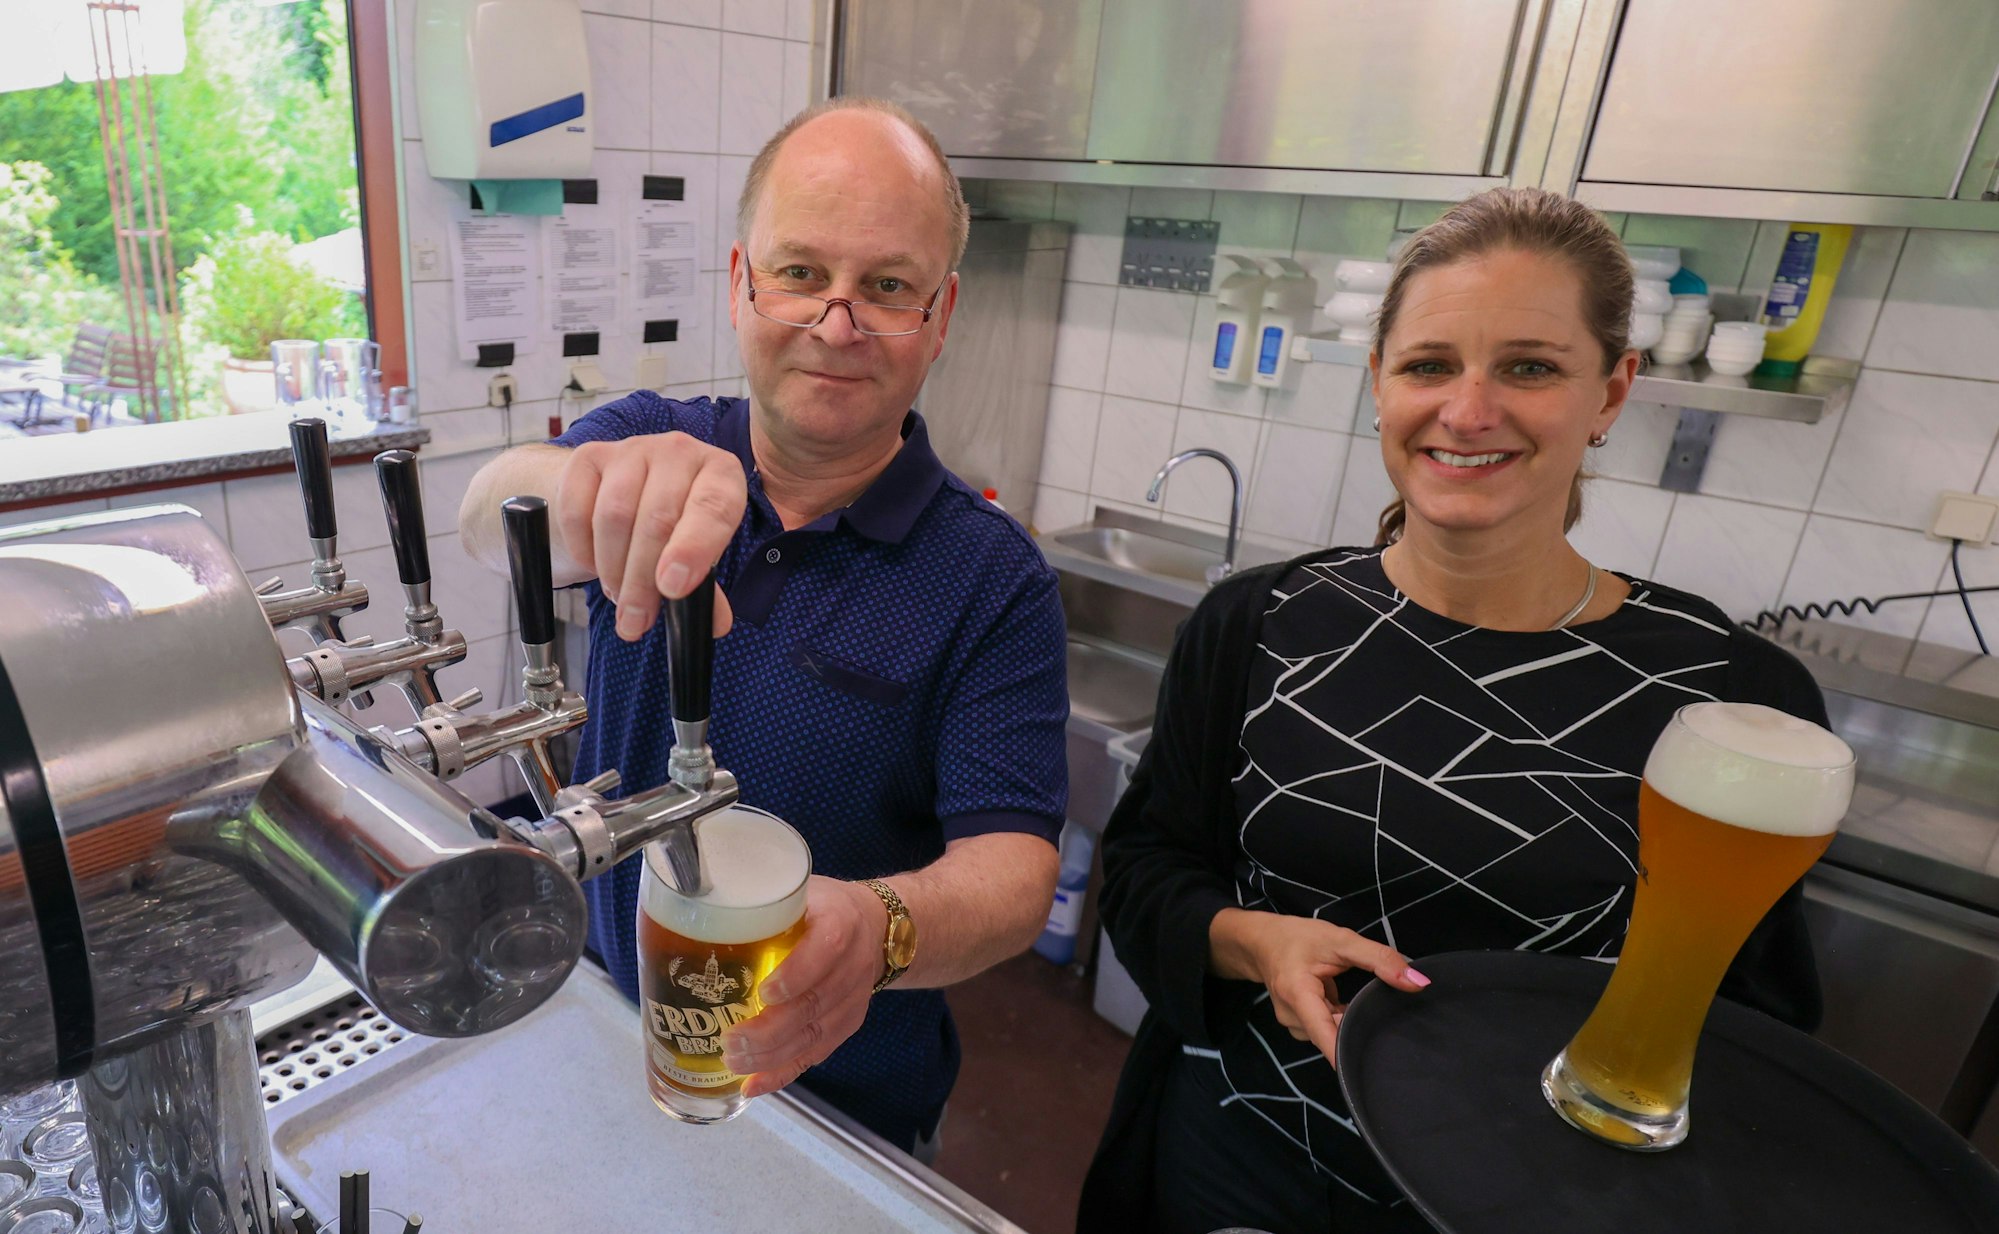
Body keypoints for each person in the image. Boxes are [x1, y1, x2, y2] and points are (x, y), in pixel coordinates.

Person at [1077, 187, 1828, 1234]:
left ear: (1610, 392)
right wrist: (1253, 943)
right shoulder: (1258, 623)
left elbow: (1759, 1026)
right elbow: (1143, 872)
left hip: (1529, 1201)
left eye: (1529, 368)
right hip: (1232, 1157)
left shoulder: (1729, 698)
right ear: (1378, 382)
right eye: (1429, 365)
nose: (1468, 411)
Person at [458, 98, 1066, 1156]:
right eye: (800, 273)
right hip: (611, 1026)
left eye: (887, 287)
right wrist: (587, 488)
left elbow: (1014, 873)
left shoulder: (992, 576)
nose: (837, 324)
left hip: (846, 1110)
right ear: (740, 281)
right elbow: (488, 510)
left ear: (942, 315)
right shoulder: (655, 438)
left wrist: (881, 929)